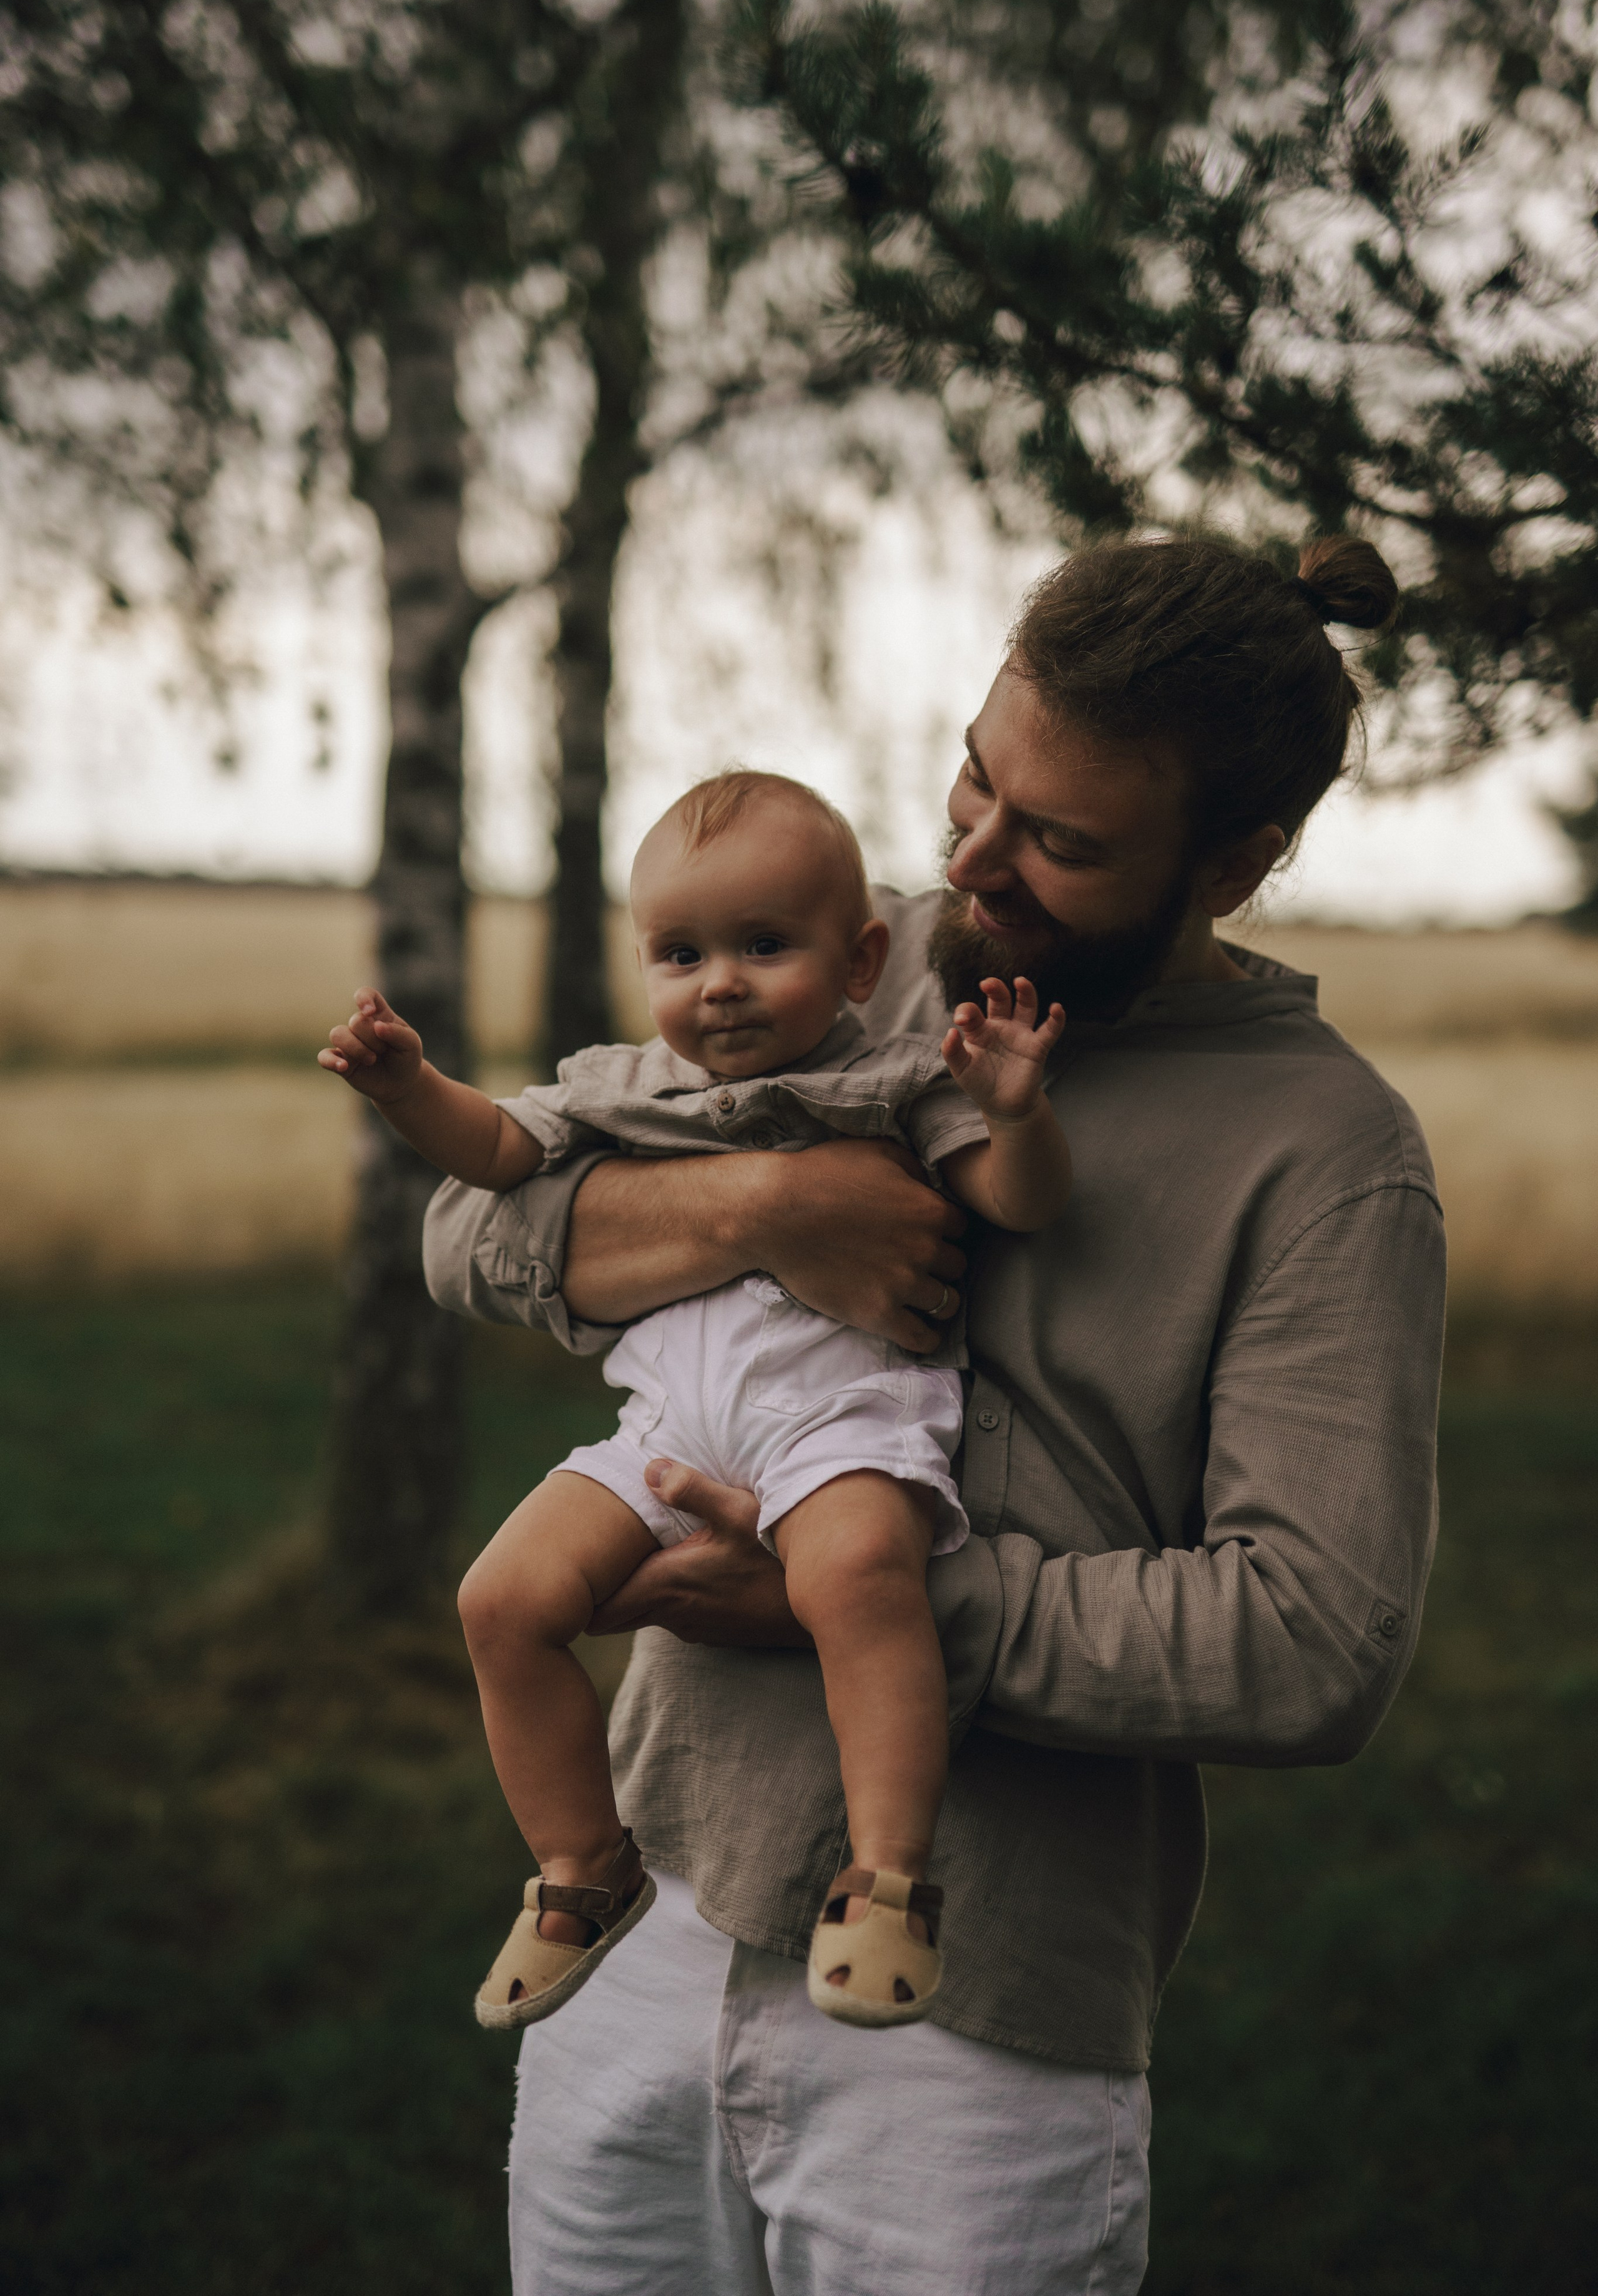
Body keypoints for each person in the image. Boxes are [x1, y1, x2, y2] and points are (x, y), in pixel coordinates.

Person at [424, 535, 1448, 2296]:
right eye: (978, 779)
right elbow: (476, 1227)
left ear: (1237, 862)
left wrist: (869, 1598)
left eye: (1061, 840)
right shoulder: (849, 961)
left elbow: (1309, 1641)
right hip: (647, 1911)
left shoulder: (1329, 1159)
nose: (974, 862)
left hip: (985, 2021)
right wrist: (758, 1213)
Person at [320, 771, 1072, 2033]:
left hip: (844, 1425)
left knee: (853, 1585)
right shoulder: (620, 1084)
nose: (715, 983)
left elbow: (1022, 1200)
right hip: (664, 1431)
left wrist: (1016, 1109)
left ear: (858, 958)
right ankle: (580, 1865)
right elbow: (498, 1162)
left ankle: (885, 1878)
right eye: (679, 953)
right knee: (500, 1600)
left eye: (762, 947)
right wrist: (409, 1092)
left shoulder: (895, 1080)